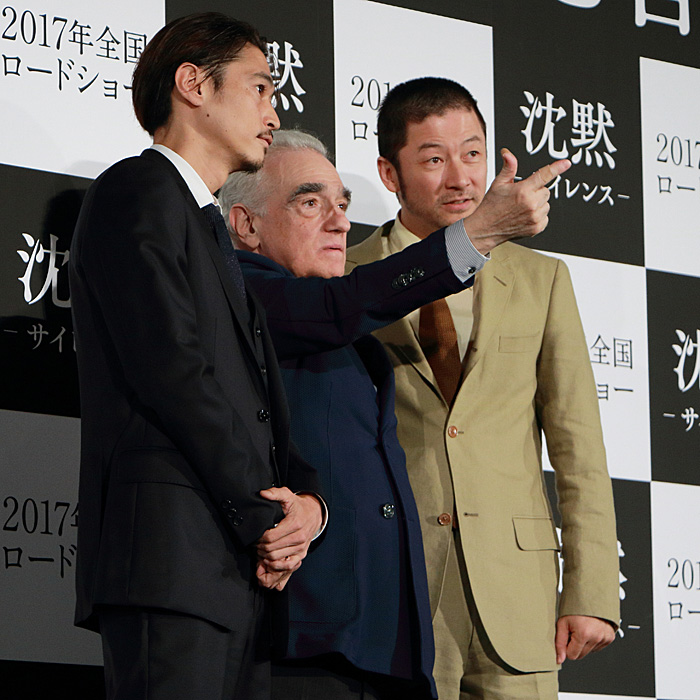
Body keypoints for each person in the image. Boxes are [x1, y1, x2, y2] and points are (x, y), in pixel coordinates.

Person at [219, 129, 570, 699]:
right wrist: (479, 232)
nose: (339, 223)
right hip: (301, 637)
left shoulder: (331, 320)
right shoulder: (241, 298)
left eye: (342, 204)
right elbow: (341, 307)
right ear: (246, 225)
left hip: (383, 643)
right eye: (310, 203)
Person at [68, 14, 324, 700]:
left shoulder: (210, 231)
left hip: (234, 574)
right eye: (259, 88)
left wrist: (309, 506)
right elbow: (172, 371)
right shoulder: (136, 189)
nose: (274, 114)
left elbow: (256, 403)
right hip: (171, 564)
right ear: (193, 85)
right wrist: (268, 518)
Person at [346, 77, 620, 700]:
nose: (461, 178)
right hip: (393, 586)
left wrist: (592, 590)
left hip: (517, 596)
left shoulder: (542, 279)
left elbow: (578, 445)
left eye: (472, 153)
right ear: (390, 174)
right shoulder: (345, 277)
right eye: (433, 159)